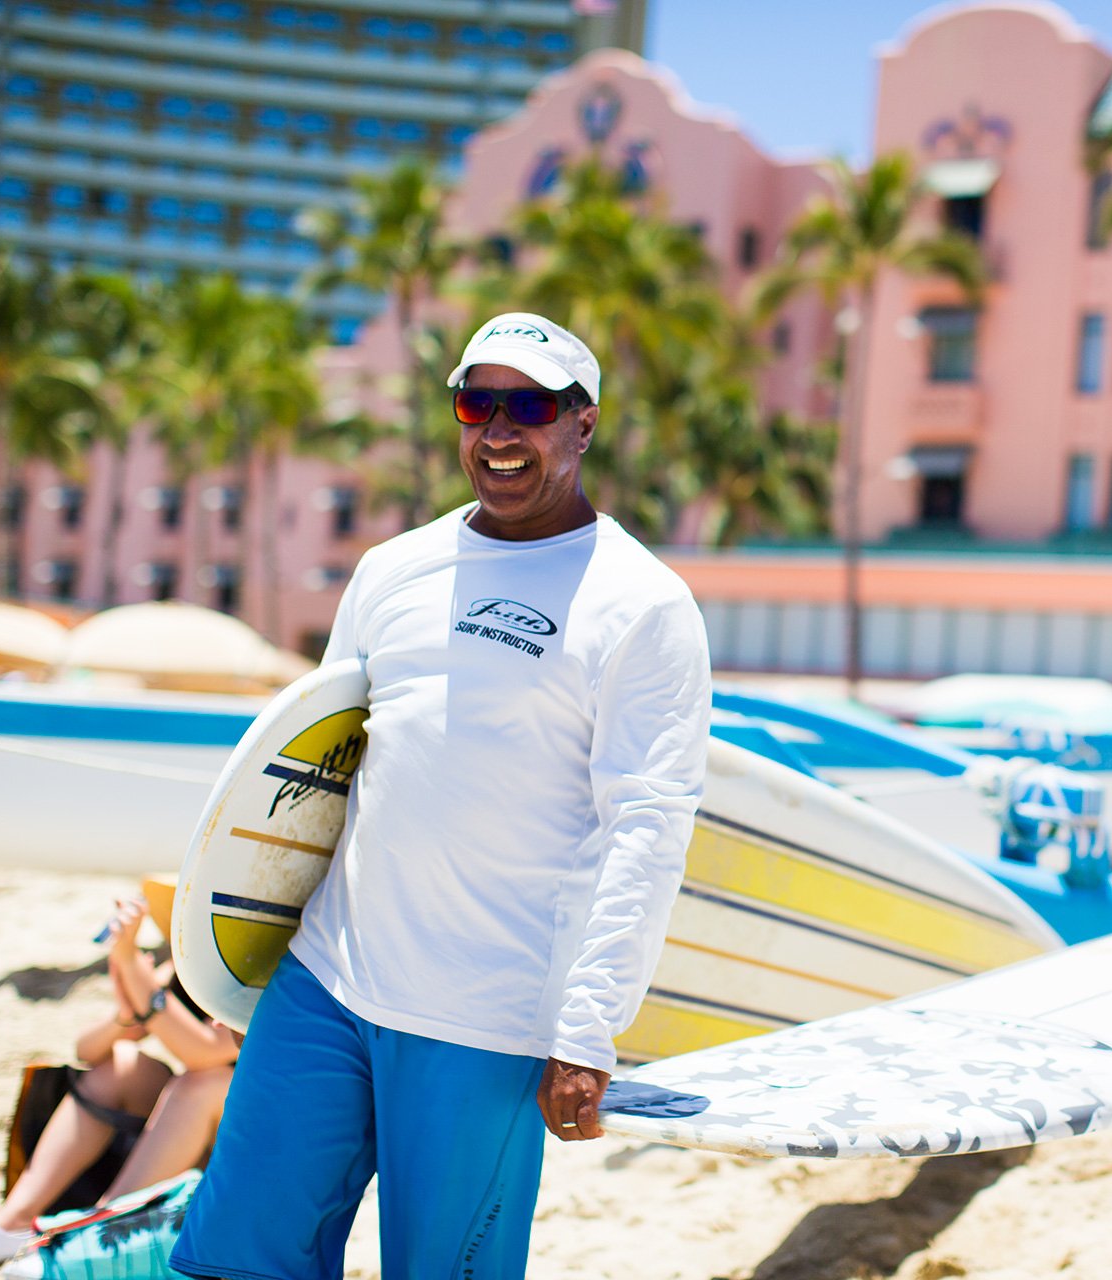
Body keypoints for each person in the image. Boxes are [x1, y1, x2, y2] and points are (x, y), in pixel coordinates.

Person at [170, 312, 712, 1280]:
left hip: (487, 1022)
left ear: (583, 426)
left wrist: (588, 1029)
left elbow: (645, 828)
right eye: (477, 402)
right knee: (234, 1254)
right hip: (325, 983)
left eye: (531, 406)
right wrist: (239, 958)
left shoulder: (643, 602)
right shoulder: (393, 568)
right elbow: (318, 768)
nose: (499, 430)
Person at [0, 898, 238, 1275]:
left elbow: (206, 1052)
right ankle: (12, 1224)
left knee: (203, 1084)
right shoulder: (192, 960)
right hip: (190, 1139)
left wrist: (136, 972)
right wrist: (126, 1014)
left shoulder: (257, 967)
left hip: (243, 1146)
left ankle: (92, 1235)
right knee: (124, 1068)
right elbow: (88, 1050)